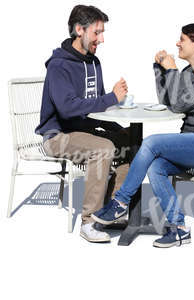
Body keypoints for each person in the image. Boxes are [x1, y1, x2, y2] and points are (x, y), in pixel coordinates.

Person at [92, 23, 194, 248]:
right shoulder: (190, 72)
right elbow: (168, 102)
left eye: (182, 39)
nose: (177, 43)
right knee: (156, 167)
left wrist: (171, 70)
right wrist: (160, 69)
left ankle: (120, 202)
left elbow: (179, 105)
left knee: (151, 143)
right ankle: (179, 229)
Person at [35, 5, 130, 243]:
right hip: (57, 136)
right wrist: (111, 98)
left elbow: (96, 106)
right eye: (97, 32)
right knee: (103, 148)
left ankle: (112, 210)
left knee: (133, 142)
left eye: (102, 32)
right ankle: (89, 222)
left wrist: (118, 130)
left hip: (84, 131)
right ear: (79, 30)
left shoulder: (94, 63)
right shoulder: (59, 66)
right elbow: (68, 109)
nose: (102, 39)